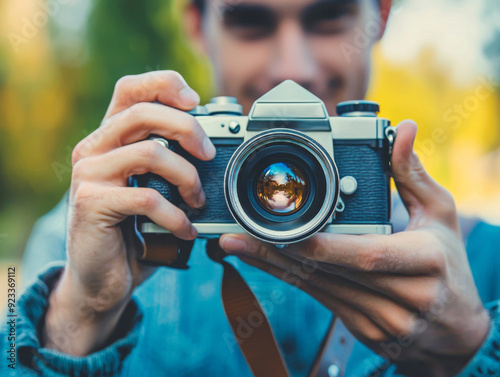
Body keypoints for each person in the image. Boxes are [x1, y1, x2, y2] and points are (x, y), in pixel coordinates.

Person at [2, 0, 500, 376]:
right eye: (251, 23)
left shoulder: (481, 264)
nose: (293, 68)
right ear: (197, 25)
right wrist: (81, 313)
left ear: (381, 16)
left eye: (328, 18)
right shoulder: (108, 231)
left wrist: (471, 345)